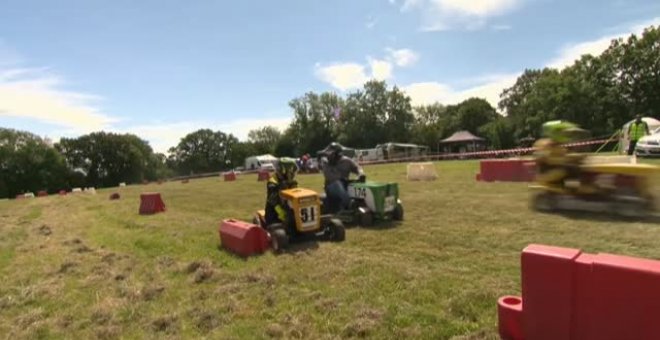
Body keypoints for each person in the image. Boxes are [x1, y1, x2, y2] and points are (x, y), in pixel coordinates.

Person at [534, 121, 586, 190]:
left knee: (573, 167)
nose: (564, 133)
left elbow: (565, 156)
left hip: (553, 171)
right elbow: (549, 159)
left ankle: (573, 188)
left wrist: (578, 157)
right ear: (555, 132)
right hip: (545, 173)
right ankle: (572, 190)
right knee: (569, 169)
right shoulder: (545, 144)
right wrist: (570, 159)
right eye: (561, 132)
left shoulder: (558, 145)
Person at [321, 142, 365, 213]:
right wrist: (344, 180)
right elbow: (329, 177)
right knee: (337, 183)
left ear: (338, 154)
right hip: (330, 187)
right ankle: (348, 204)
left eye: (330, 154)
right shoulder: (325, 163)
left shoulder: (346, 161)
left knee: (360, 184)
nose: (328, 156)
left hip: (345, 184)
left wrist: (361, 174)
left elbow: (357, 167)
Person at [264, 157, 298, 226]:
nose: (292, 173)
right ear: (284, 171)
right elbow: (274, 202)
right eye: (291, 171)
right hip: (274, 216)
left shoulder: (291, 182)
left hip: (288, 212)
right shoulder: (272, 183)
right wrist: (284, 216)